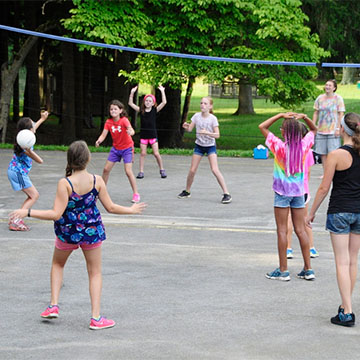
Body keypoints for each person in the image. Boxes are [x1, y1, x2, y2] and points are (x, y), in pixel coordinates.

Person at [9, 140, 146, 330]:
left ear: (70, 159)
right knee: (95, 272)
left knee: (58, 264)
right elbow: (111, 207)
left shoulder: (65, 183)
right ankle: (96, 318)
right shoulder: (97, 180)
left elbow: (55, 214)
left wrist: (28, 212)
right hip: (92, 233)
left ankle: (53, 305)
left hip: (67, 233)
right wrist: (131, 210)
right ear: (88, 159)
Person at [307, 112, 360, 327]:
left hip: (339, 212)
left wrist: (311, 213)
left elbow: (323, 187)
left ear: (342, 131)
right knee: (353, 261)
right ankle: (345, 304)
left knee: (341, 261)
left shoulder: (336, 154)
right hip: (359, 212)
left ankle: (347, 312)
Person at [258, 112, 317, 281]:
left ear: (284, 133)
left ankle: (283, 270)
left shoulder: (279, 147)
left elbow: (262, 126)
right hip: (299, 192)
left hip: (282, 192)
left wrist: (279, 115)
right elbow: (314, 129)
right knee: (301, 230)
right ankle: (308, 268)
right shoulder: (305, 145)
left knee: (282, 230)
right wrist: (305, 117)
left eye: (281, 128)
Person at [178, 96, 232, 204]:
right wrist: (186, 126)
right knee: (192, 170)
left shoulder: (213, 119)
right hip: (199, 145)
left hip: (210, 146)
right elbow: (190, 129)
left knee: (214, 169)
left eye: (205, 103)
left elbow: (217, 135)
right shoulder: (196, 116)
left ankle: (226, 194)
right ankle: (187, 191)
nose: (202, 105)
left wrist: (207, 133)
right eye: (201, 103)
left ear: (210, 106)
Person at [7, 111, 49, 231]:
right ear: (28, 130)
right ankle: (16, 220)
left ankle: (16, 218)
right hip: (17, 173)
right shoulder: (26, 146)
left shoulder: (24, 138)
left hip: (16, 172)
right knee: (34, 195)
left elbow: (34, 127)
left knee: (32, 196)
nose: (35, 125)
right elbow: (40, 161)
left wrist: (42, 119)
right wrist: (30, 152)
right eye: (33, 124)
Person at [95, 100, 140, 203]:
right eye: (111, 109)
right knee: (106, 169)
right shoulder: (108, 122)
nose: (113, 111)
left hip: (127, 148)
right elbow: (103, 134)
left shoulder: (124, 120)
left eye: (115, 109)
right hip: (116, 149)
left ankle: (136, 193)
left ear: (121, 110)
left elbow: (131, 130)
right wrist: (99, 141)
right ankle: (102, 192)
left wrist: (131, 132)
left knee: (128, 171)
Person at [287, 124, 319, 259]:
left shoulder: (287, 149)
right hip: (303, 189)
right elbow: (309, 171)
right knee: (305, 220)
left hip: (289, 189)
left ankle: (288, 248)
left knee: (288, 220)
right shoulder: (309, 152)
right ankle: (311, 247)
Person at [128, 85, 167, 179]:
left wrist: (162, 91)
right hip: (144, 136)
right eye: (146, 100)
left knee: (156, 153)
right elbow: (130, 103)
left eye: (150, 101)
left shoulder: (155, 110)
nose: (148, 102)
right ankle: (141, 171)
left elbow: (164, 102)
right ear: (144, 102)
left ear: (153, 103)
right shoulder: (141, 110)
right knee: (143, 153)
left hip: (153, 135)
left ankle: (162, 169)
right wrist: (132, 93)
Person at [313, 79, 345, 173]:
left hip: (333, 130)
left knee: (333, 153)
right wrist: (314, 125)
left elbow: (341, 114)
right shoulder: (320, 98)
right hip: (321, 129)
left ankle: (333, 172)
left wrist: (338, 128)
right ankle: (325, 172)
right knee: (322, 153)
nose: (327, 87)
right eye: (326, 85)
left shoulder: (338, 98)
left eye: (329, 85)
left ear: (334, 88)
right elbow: (316, 112)